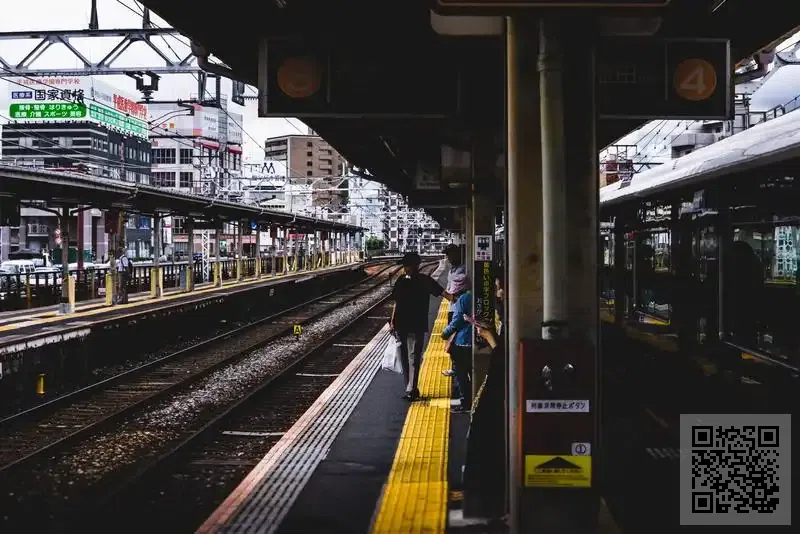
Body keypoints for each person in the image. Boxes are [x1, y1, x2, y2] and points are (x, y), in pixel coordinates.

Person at [461, 279, 506, 521]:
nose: (498, 292)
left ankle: (490, 501)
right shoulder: (508, 314)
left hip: (500, 395)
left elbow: (505, 357)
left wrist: (489, 336)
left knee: (486, 438)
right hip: (499, 391)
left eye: (500, 287)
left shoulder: (516, 316)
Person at [389, 252, 452, 401]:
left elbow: (445, 294)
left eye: (407, 265)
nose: (406, 268)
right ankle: (410, 387)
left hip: (413, 325)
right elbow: (396, 303)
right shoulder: (410, 280)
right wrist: (392, 322)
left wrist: (463, 300)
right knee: (408, 357)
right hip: (406, 324)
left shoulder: (420, 280)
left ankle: (412, 388)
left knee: (412, 357)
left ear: (415, 265)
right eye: (405, 266)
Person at [441, 273, 473, 413]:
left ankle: (466, 403)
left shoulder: (463, 299)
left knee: (461, 374)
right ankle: (474, 400)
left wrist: (445, 333)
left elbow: (457, 321)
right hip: (476, 340)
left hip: (463, 341)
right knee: (472, 372)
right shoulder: (475, 296)